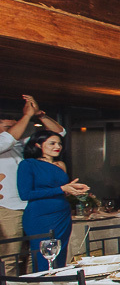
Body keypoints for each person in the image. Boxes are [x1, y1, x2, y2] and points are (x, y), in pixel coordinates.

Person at [0, 95, 64, 274]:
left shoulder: (20, 146)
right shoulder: (3, 143)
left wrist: (40, 115)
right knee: (9, 257)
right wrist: (26, 116)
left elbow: (58, 134)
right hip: (7, 209)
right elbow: (6, 140)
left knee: (35, 254)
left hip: (33, 208)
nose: (15, 129)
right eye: (8, 127)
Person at [17, 131, 89, 271]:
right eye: (52, 143)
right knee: (44, 256)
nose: (58, 146)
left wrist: (72, 190)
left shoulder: (60, 165)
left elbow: (60, 190)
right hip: (41, 216)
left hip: (62, 214)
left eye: (59, 143)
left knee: (60, 255)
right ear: (38, 145)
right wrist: (62, 188)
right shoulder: (28, 164)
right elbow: (25, 194)